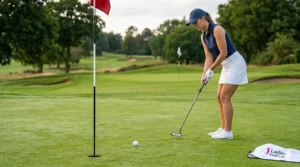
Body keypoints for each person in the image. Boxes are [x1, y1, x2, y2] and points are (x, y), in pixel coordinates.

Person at [186, 8, 248, 140]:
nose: (194, 25)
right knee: (219, 97)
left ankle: (228, 131)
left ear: (203, 18)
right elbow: (208, 58)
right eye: (192, 23)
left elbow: (223, 53)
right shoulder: (203, 36)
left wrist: (211, 70)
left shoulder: (217, 29)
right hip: (226, 65)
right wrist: (204, 75)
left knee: (225, 96)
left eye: (195, 22)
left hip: (236, 63)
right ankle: (223, 128)